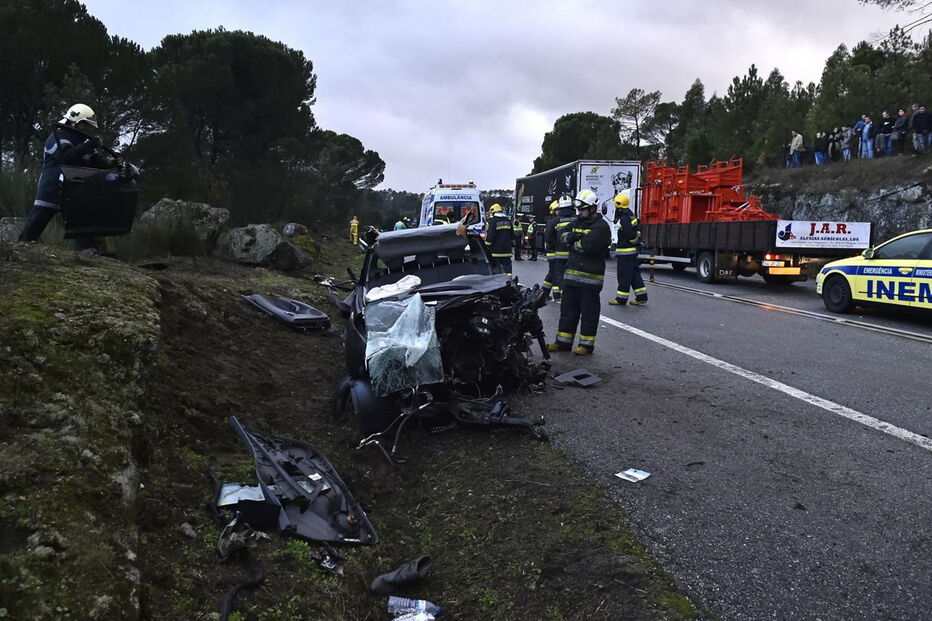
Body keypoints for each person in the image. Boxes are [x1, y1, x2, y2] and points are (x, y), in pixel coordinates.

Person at [20, 103, 117, 249]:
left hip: (73, 189)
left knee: (80, 225)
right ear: (75, 121)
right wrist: (91, 145)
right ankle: (19, 250)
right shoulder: (58, 136)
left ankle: (86, 254)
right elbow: (66, 157)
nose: (88, 129)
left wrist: (114, 162)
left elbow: (96, 161)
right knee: (35, 224)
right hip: (52, 188)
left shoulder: (83, 142)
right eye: (85, 125)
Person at [548, 189, 611, 356]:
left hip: (590, 280)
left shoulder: (601, 227)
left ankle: (586, 345)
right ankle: (562, 343)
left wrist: (573, 241)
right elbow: (562, 236)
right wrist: (571, 240)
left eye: (582, 209)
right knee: (568, 312)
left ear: (592, 208)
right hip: (571, 278)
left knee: (589, 314)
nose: (580, 212)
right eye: (579, 210)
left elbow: (587, 247)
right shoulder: (578, 222)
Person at [608, 194, 647, 306]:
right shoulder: (630, 215)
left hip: (625, 252)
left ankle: (621, 299)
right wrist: (637, 243)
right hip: (632, 252)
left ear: (619, 205)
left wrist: (635, 242)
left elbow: (630, 234)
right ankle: (641, 296)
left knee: (624, 275)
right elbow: (636, 232)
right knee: (634, 274)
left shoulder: (624, 218)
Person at [544, 194, 576, 301]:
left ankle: (559, 295)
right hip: (575, 254)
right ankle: (565, 296)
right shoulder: (577, 219)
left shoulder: (554, 221)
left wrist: (555, 245)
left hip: (559, 254)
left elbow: (548, 238)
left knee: (558, 273)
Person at [484, 203, 514, 275]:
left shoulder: (493, 221)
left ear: (493, 212)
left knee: (496, 267)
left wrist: (486, 244)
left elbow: (491, 235)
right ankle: (508, 280)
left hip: (496, 251)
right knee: (507, 266)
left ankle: (498, 282)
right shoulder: (508, 220)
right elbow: (512, 235)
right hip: (507, 250)